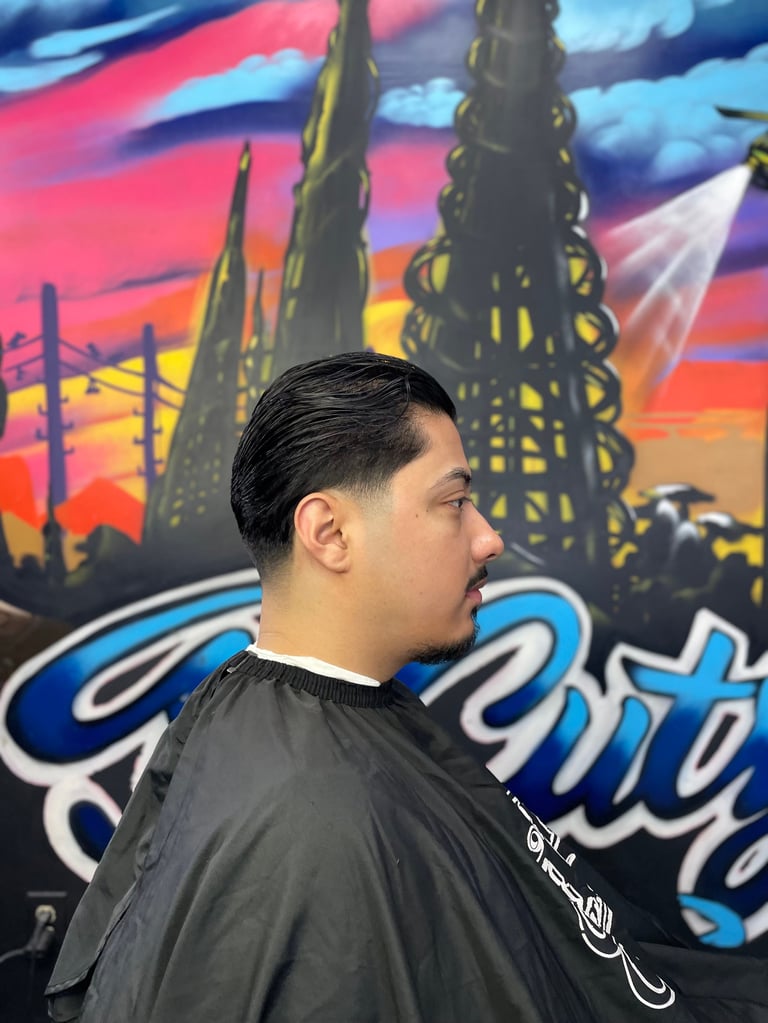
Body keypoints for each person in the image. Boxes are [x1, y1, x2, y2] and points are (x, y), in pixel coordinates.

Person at [46, 352, 768, 1021]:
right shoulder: (311, 822)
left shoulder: (273, 717)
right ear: (330, 532)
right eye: (454, 502)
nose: (488, 538)